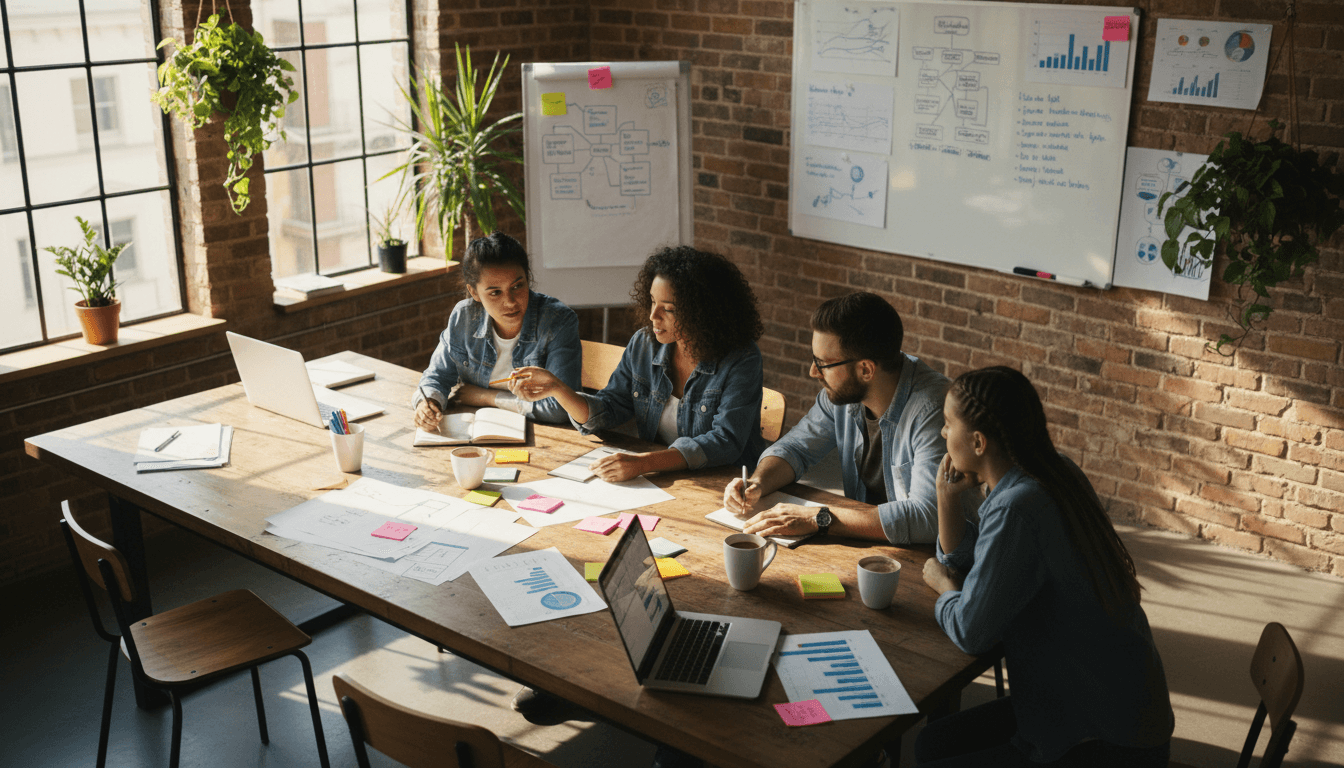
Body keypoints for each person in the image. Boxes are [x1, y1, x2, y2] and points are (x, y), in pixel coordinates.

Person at [917, 366, 1173, 767]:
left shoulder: (1017, 508)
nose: (942, 433)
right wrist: (946, 498)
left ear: (979, 442)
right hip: (1107, 705)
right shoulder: (1054, 471)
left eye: (948, 424)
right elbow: (978, 565)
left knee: (931, 755)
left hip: (1103, 738)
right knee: (931, 744)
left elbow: (970, 630)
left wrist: (944, 587)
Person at [513, 245, 766, 482]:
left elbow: (725, 441)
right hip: (665, 479)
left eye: (668, 309)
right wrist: (558, 389)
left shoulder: (741, 359)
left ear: (702, 312)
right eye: (653, 301)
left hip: (726, 484)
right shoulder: (645, 343)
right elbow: (610, 408)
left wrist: (644, 463)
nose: (652, 315)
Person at [724, 291, 953, 544]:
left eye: (822, 363)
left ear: (865, 369)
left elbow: (928, 518)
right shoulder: (844, 394)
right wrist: (757, 483)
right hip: (867, 543)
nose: (813, 372)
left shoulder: (933, 410)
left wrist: (819, 518)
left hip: (927, 555)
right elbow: (796, 448)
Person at [414, 231, 580, 428]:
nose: (510, 302)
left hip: (545, 431)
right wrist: (427, 404)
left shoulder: (558, 321)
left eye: (517, 286)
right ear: (474, 292)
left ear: (528, 279)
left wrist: (486, 397)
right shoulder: (464, 317)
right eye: (495, 292)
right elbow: (436, 376)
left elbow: (561, 408)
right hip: (479, 424)